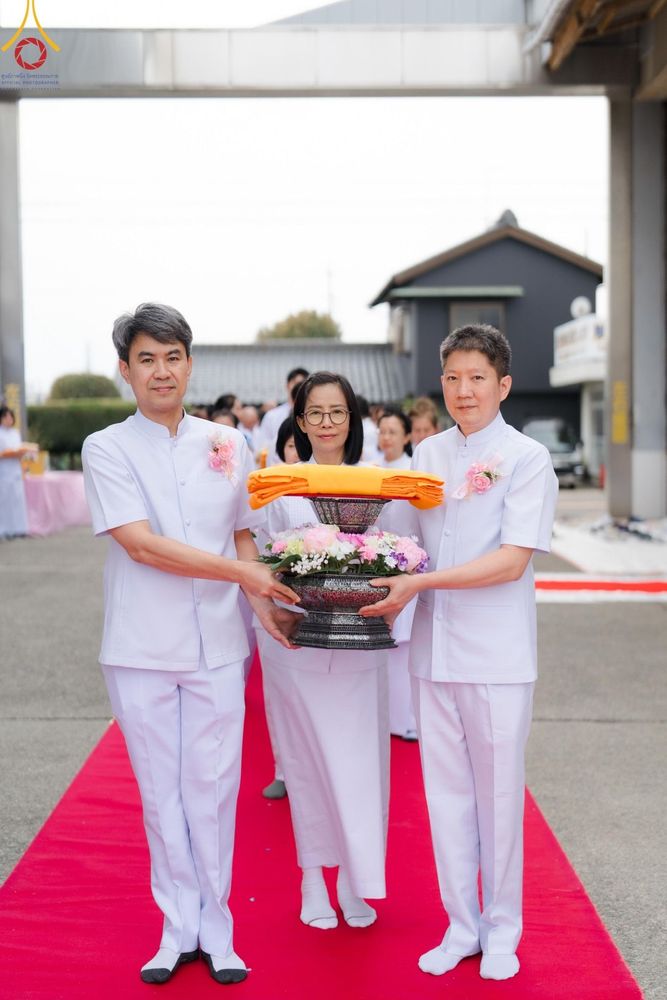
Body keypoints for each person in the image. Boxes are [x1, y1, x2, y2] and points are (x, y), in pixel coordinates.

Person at [81, 303, 300, 987]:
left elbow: (241, 534)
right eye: (146, 359)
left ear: (190, 364)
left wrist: (263, 605)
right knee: (161, 793)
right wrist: (242, 575)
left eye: (172, 357)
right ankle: (176, 929)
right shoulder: (106, 447)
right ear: (125, 370)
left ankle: (218, 928)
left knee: (213, 788)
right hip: (141, 646)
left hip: (217, 643)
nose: (161, 371)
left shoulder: (226, 442)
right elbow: (141, 546)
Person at [361, 324, 558, 982]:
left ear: (503, 385)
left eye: (477, 378)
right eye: (452, 378)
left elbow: (510, 561)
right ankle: (460, 925)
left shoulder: (527, 458)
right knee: (445, 798)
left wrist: (419, 585)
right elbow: (400, 540)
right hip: (432, 653)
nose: (463, 390)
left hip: (497, 656)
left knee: (497, 797)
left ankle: (502, 929)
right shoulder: (428, 454)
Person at [255, 372, 390, 932]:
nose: (327, 423)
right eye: (316, 413)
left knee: (363, 765)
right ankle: (313, 876)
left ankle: (355, 879)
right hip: (298, 641)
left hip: (361, 644)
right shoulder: (280, 487)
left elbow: (402, 555)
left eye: (338, 412)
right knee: (305, 761)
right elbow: (259, 559)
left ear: (351, 420)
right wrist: (280, 601)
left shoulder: (379, 482)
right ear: (300, 421)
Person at [258, 414, 300, 800]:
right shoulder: (270, 491)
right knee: (279, 693)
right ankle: (283, 769)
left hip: (321, 608)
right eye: (290, 446)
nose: (297, 452)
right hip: (276, 603)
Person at [375, 407, 418, 741]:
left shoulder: (414, 471)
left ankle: (410, 719)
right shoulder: (371, 470)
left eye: (393, 431)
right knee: (385, 649)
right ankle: (389, 719)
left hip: (408, 564)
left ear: (407, 436)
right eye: (382, 431)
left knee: (405, 648)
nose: (386, 437)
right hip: (376, 563)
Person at [257, 367, 309, 466]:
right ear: (287, 385)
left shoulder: (312, 417)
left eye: (303, 383)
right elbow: (262, 448)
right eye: (295, 383)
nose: (299, 387)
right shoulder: (272, 416)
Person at [0, 406, 37, 540]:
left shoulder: (15, 434)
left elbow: (19, 451)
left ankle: (20, 529)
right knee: (5, 501)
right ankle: (4, 530)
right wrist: (12, 453)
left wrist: (23, 456)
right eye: (6, 417)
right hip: (4, 470)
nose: (9, 419)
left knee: (18, 500)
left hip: (15, 470)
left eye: (10, 416)